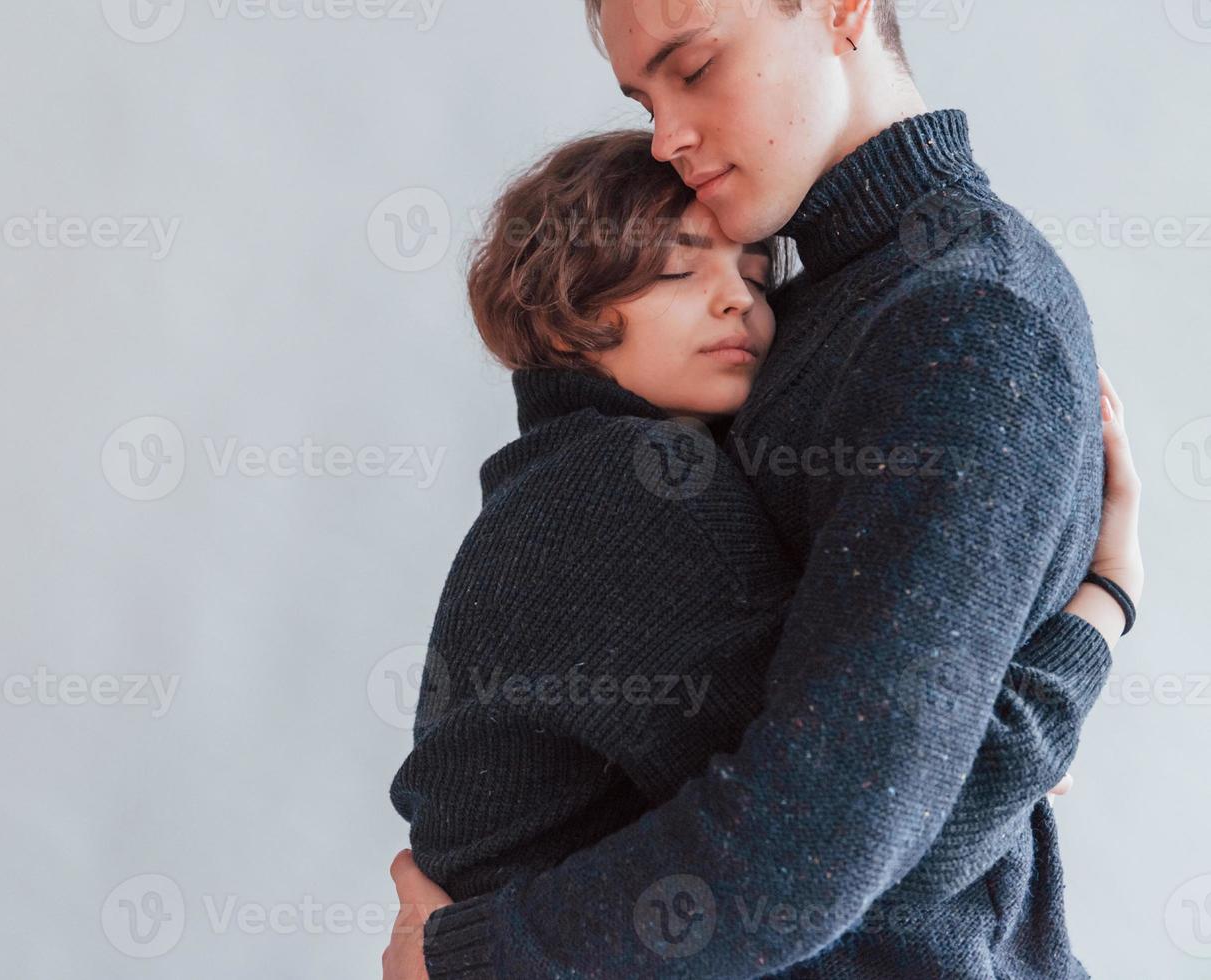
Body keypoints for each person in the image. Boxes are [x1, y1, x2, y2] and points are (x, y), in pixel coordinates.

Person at [384, 1, 1145, 975]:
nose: (666, 136)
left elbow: (843, 844)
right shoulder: (794, 321)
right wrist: (1065, 656)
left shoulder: (964, 320)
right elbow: (843, 816)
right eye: (642, 96)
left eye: (692, 67)